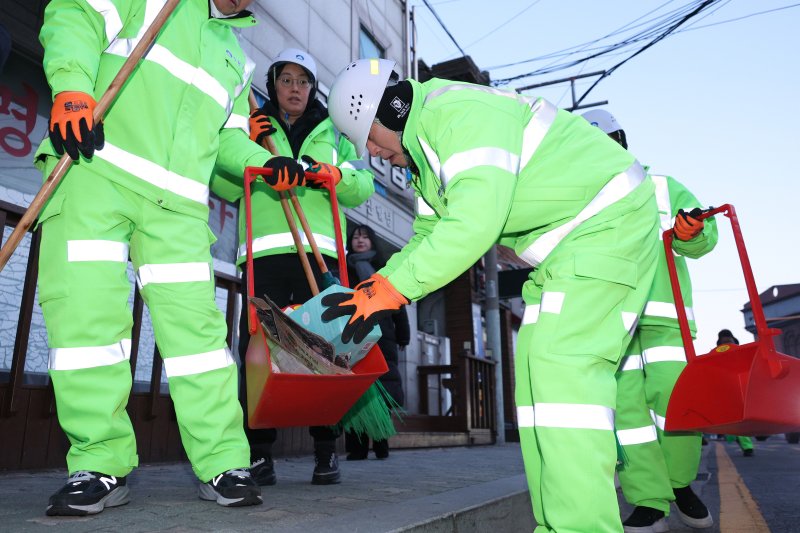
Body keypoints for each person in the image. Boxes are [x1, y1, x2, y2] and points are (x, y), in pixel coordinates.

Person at [321, 58, 661, 533]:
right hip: (573, 246)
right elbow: (428, 237)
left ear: (387, 111)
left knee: (562, 375)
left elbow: (473, 223)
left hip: (606, 226)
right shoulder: (426, 154)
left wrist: (390, 290)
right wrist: (373, 291)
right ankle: (557, 524)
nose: (373, 153)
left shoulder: (456, 115)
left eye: (369, 139)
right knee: (539, 385)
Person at [31, 0, 313, 515]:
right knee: (86, 327)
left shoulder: (235, 58)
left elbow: (227, 140)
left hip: (178, 209)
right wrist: (72, 89)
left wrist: (265, 163)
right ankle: (98, 463)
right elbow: (75, 13)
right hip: (95, 172)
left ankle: (224, 462)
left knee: (199, 343)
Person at [210, 49, 375, 486]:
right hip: (263, 256)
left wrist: (332, 174)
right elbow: (222, 182)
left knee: (326, 350)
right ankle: (259, 454)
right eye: (286, 80)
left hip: (322, 256)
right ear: (273, 84)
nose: (295, 88)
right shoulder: (252, 126)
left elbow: (363, 184)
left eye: (303, 81)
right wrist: (253, 156)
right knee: (260, 352)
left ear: (313, 89)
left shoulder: (335, 130)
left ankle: (326, 450)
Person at [582, 109, 718, 532]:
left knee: (679, 404)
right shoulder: (577, 200)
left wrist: (692, 233)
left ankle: (679, 485)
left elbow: (704, 238)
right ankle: (648, 500)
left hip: (666, 320)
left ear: (622, 142)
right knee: (628, 418)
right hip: (612, 321)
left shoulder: (662, 188)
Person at [344, 224, 410, 460]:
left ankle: (382, 442)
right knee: (356, 392)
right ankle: (357, 448)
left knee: (382, 390)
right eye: (355, 237)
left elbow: (398, 303)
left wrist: (403, 334)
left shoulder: (382, 270)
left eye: (364, 237)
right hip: (353, 335)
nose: (360, 240)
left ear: (372, 241)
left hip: (383, 336)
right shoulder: (344, 269)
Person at [715, 330, 755, 457]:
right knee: (734, 418)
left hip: (735, 388)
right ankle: (740, 441)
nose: (727, 343)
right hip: (732, 388)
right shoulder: (739, 351)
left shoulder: (717, 353)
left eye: (728, 341)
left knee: (737, 418)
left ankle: (745, 444)